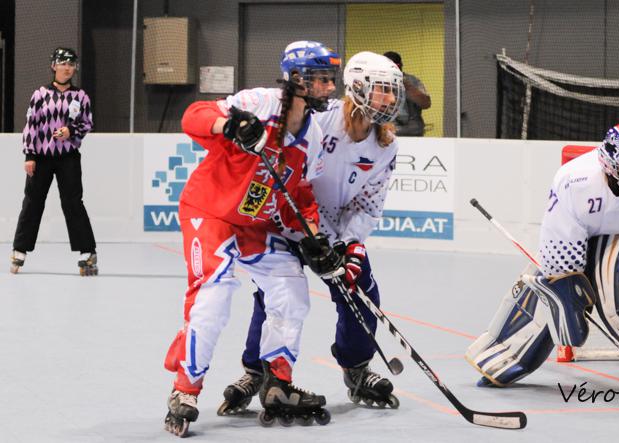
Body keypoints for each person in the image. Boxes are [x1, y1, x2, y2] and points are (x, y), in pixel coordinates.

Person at [162, 41, 343, 437]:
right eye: (322, 78)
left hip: (254, 225)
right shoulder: (259, 102)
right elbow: (194, 116)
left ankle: (277, 381)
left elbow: (300, 196)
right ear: (297, 79)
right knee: (215, 292)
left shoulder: (313, 136)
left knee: (291, 287)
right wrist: (228, 125)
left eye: (332, 79)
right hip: (210, 211)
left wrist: (314, 238)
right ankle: (185, 389)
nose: (330, 87)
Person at [217, 51, 405, 416]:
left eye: (393, 92)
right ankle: (257, 370)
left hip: (331, 234)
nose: (390, 99)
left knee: (361, 290)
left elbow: (368, 204)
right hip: (290, 220)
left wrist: (352, 245)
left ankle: (356, 367)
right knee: (274, 294)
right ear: (358, 87)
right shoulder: (320, 118)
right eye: (382, 90)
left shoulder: (386, 146)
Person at [466, 123, 619, 394]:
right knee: (546, 295)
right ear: (608, 165)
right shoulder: (575, 181)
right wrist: (566, 294)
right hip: (577, 237)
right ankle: (503, 357)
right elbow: (558, 242)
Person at [11, 47, 97, 276]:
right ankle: (20, 250)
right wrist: (30, 155)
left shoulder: (81, 96)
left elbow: (87, 122)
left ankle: (87, 252)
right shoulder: (40, 94)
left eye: (71, 64)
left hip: (68, 157)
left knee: (73, 202)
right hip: (41, 158)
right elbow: (31, 125)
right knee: (32, 202)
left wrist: (70, 130)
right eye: (63, 63)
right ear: (54, 66)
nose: (67, 68)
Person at [382, 51, 430, 136]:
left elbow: (426, 104)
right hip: (388, 133)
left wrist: (408, 87)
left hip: (413, 133)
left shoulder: (412, 81)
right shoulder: (378, 83)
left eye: (396, 67)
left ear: (401, 65)